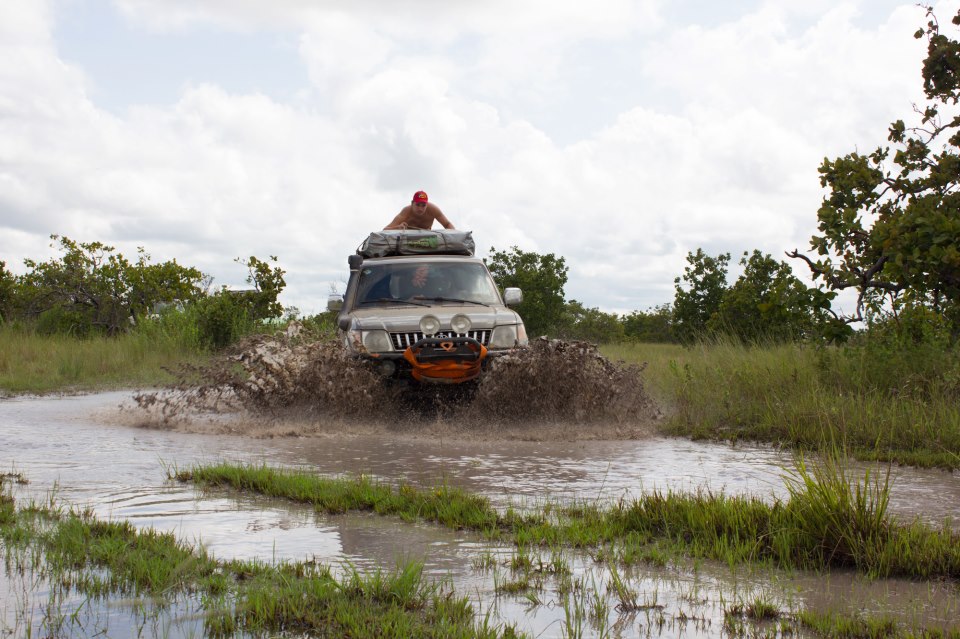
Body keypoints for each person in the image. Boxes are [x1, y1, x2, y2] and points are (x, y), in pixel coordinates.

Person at [384, 190, 455, 230]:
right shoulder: (406, 211)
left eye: (423, 205)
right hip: (407, 241)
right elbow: (385, 230)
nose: (420, 209)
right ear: (412, 203)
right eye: (417, 205)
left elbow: (448, 224)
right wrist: (397, 227)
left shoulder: (433, 209)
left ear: (427, 204)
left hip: (427, 242)